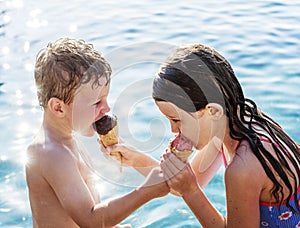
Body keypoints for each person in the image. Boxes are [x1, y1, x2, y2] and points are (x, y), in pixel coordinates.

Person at [105, 44, 300, 227]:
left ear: (212, 111)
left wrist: (191, 191)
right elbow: (181, 184)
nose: (173, 130)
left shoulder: (244, 167)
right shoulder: (237, 125)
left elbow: (189, 186)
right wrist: (137, 160)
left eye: (176, 119)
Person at [25, 37, 169, 228]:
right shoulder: (50, 153)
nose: (107, 108)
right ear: (59, 108)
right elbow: (90, 220)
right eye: (97, 103)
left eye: (106, 99)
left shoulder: (67, 140)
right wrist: (146, 191)